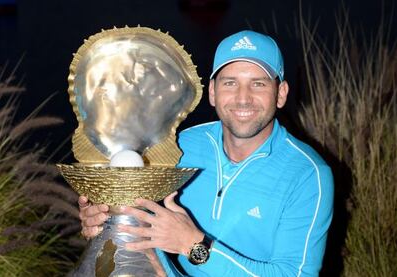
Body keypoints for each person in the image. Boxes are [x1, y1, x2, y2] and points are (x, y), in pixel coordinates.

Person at [78, 30, 334, 276]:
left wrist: (193, 245)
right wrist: (105, 221)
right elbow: (143, 224)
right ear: (212, 92)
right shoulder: (180, 146)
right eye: (230, 83)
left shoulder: (308, 174)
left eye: (258, 84)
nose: (242, 98)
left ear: (281, 94)